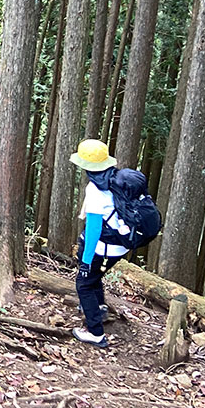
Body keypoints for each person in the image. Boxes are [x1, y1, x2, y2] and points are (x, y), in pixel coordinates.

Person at [69, 138, 131, 349]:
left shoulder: (96, 190)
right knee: (96, 276)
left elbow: (94, 229)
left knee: (84, 283)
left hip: (104, 247)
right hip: (121, 245)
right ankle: (100, 308)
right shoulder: (118, 178)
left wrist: (85, 261)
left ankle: (95, 333)